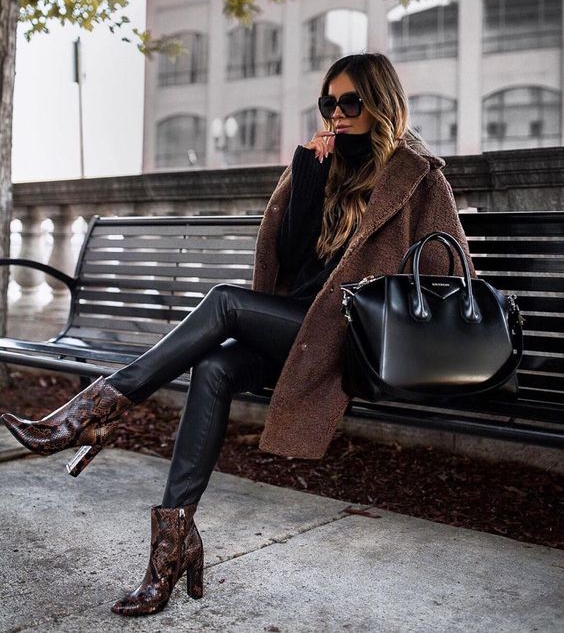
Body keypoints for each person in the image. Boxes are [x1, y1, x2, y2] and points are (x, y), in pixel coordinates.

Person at [1, 52, 476, 617]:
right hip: (300, 333)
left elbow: (453, 277)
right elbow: (293, 266)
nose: (340, 113)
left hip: (360, 343)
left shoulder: (418, 177)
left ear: (381, 101)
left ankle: (95, 410)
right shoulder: (321, 166)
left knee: (225, 302)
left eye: (352, 101)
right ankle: (170, 551)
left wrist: (379, 290)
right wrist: (309, 176)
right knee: (215, 366)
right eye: (330, 102)